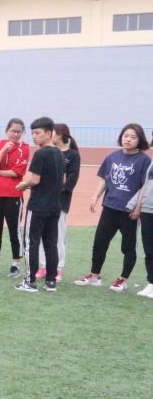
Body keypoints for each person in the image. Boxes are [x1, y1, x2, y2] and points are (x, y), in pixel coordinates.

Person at [75, 124, 152, 291]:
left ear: (139, 140)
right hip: (109, 207)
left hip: (129, 211)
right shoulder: (112, 156)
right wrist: (95, 197)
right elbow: (105, 179)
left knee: (128, 247)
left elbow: (144, 186)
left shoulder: (144, 160)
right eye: (126, 136)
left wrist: (137, 207)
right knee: (100, 242)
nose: (128, 139)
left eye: (133, 137)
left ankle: (123, 279)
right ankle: (94, 275)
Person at [13, 117, 65, 293]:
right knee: (51, 244)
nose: (34, 136)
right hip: (54, 206)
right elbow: (63, 179)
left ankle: (30, 282)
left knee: (31, 243)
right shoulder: (59, 153)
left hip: (38, 206)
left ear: (49, 133)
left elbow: (34, 179)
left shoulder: (41, 154)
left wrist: (23, 185)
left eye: (38, 133)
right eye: (33, 133)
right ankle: (51, 281)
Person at [0, 118, 29, 277]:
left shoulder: (24, 149)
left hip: (13, 195)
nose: (15, 134)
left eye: (19, 132)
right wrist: (3, 150)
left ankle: (15, 264)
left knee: (14, 231)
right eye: (12, 131)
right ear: (7, 131)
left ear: (23, 132)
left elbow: (17, 172)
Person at [37, 123, 80, 283]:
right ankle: (44, 266)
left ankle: (57, 268)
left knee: (58, 235)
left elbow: (71, 181)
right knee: (41, 234)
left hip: (60, 202)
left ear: (60, 135)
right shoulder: (46, 151)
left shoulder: (72, 155)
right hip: (42, 201)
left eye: (51, 133)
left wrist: (55, 188)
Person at [128, 158, 153, 297]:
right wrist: (138, 206)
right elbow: (146, 184)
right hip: (147, 209)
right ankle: (151, 283)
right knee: (149, 249)